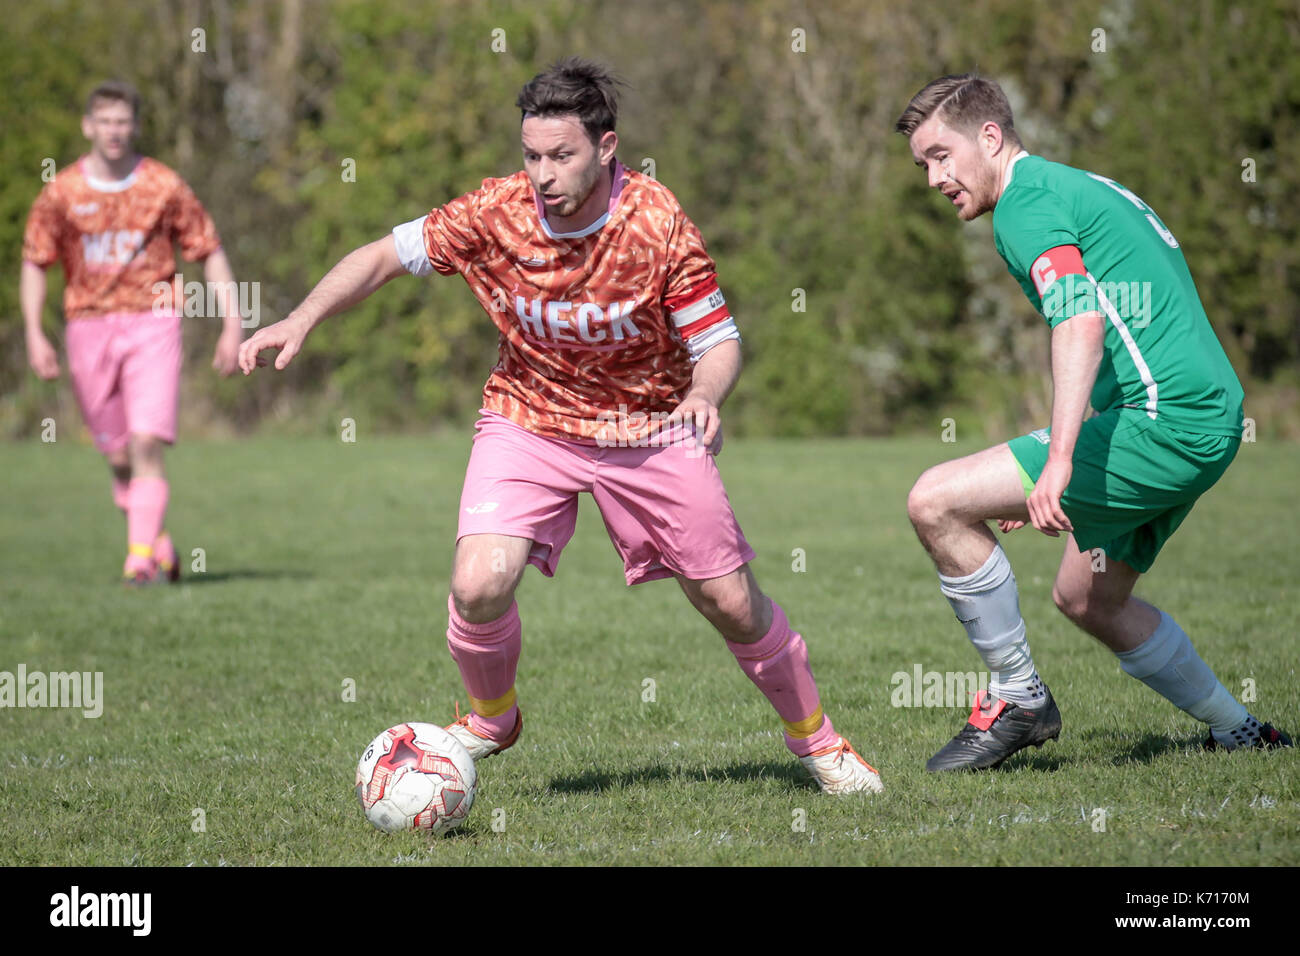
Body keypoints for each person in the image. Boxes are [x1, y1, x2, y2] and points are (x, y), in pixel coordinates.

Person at [239, 58, 883, 794]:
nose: (542, 174)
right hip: (529, 418)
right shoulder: (496, 212)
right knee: (478, 583)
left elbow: (717, 340)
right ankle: (491, 720)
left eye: (561, 156)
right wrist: (301, 316)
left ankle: (821, 744)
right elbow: (385, 255)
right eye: (531, 155)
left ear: (607, 149)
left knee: (729, 601)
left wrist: (705, 397)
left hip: (648, 429)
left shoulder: (657, 222)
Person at [893, 73, 1290, 770]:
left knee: (934, 503)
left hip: (1165, 421)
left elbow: (1081, 321)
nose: (933, 178)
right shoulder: (1078, 186)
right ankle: (1241, 732)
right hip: (1204, 417)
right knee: (1087, 596)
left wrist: (1060, 458)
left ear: (990, 137)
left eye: (941, 155)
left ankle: (1018, 698)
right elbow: (1137, 328)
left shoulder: (1025, 207)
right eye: (923, 164)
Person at [22, 79, 244, 585]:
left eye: (123, 121)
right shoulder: (62, 192)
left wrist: (233, 323)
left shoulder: (164, 185)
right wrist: (35, 332)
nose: (115, 131)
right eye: (105, 121)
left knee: (146, 443)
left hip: (154, 320)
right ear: (88, 126)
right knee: (119, 455)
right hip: (87, 327)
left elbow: (208, 249)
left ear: (136, 126)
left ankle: (138, 560)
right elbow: (35, 261)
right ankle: (159, 545)